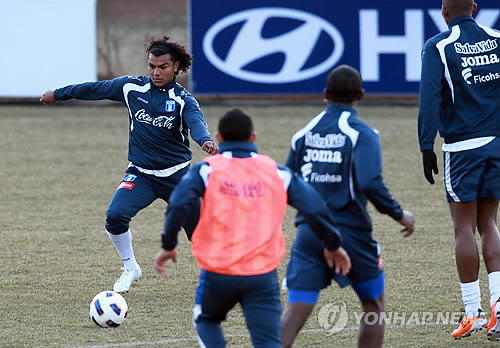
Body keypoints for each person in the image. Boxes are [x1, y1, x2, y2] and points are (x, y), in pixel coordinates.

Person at [153, 108, 351, 348]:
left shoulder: (207, 169)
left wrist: (168, 244)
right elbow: (315, 209)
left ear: (219, 138)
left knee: (206, 320)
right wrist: (332, 244)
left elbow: (178, 203)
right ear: (253, 138)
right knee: (268, 342)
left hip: (218, 273)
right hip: (262, 276)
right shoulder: (277, 172)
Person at [39, 36, 218, 293]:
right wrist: (59, 94)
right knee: (115, 216)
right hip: (141, 175)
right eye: (151, 66)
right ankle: (131, 268)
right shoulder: (132, 88)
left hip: (178, 178)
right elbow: (94, 89)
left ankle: (216, 277)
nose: (156, 72)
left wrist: (205, 141)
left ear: (176, 66)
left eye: (163, 67)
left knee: (200, 234)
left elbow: (196, 123)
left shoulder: (183, 100)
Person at [280, 65, 415, 348]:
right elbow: (369, 182)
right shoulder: (362, 133)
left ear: (325, 94)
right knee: (373, 306)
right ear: (361, 95)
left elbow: (287, 183)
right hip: (351, 236)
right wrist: (399, 213)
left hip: (310, 235)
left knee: (293, 315)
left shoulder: (303, 133)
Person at [418, 0, 500, 340]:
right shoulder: (497, 38)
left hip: (462, 148)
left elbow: (430, 97)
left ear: (444, 12)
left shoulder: (438, 45)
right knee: (490, 224)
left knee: (463, 229)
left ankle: (474, 313)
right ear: (476, 8)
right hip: (497, 144)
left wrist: (426, 145)